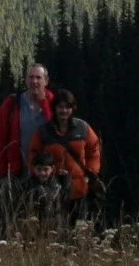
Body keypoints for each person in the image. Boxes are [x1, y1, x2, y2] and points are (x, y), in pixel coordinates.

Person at [0, 64, 55, 230]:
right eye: (31, 77)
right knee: (8, 215)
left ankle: (42, 249)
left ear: (46, 81)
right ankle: (3, 246)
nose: (34, 81)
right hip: (15, 172)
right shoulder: (12, 103)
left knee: (45, 217)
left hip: (46, 174)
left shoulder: (55, 104)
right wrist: (0, 170)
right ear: (25, 79)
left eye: (38, 77)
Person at [25, 89, 103, 226]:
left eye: (68, 107)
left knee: (79, 230)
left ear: (72, 109)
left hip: (79, 190)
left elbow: (94, 149)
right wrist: (48, 173)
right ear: (54, 108)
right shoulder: (44, 131)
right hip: (53, 193)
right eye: (60, 107)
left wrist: (91, 172)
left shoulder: (83, 128)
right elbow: (33, 154)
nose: (64, 111)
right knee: (56, 231)